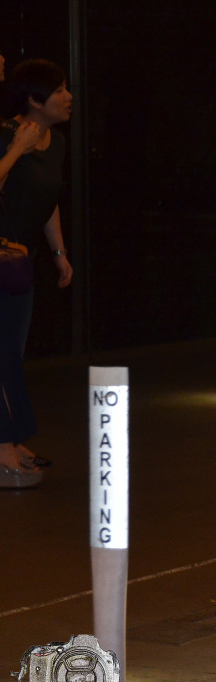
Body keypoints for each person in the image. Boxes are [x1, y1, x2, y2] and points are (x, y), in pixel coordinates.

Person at [0, 59, 74, 486]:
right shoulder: (6, 134)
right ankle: (3, 442)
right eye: (59, 90)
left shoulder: (57, 142)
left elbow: (50, 200)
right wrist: (15, 151)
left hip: (20, 263)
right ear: (33, 99)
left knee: (11, 355)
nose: (68, 97)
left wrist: (58, 252)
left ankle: (16, 437)